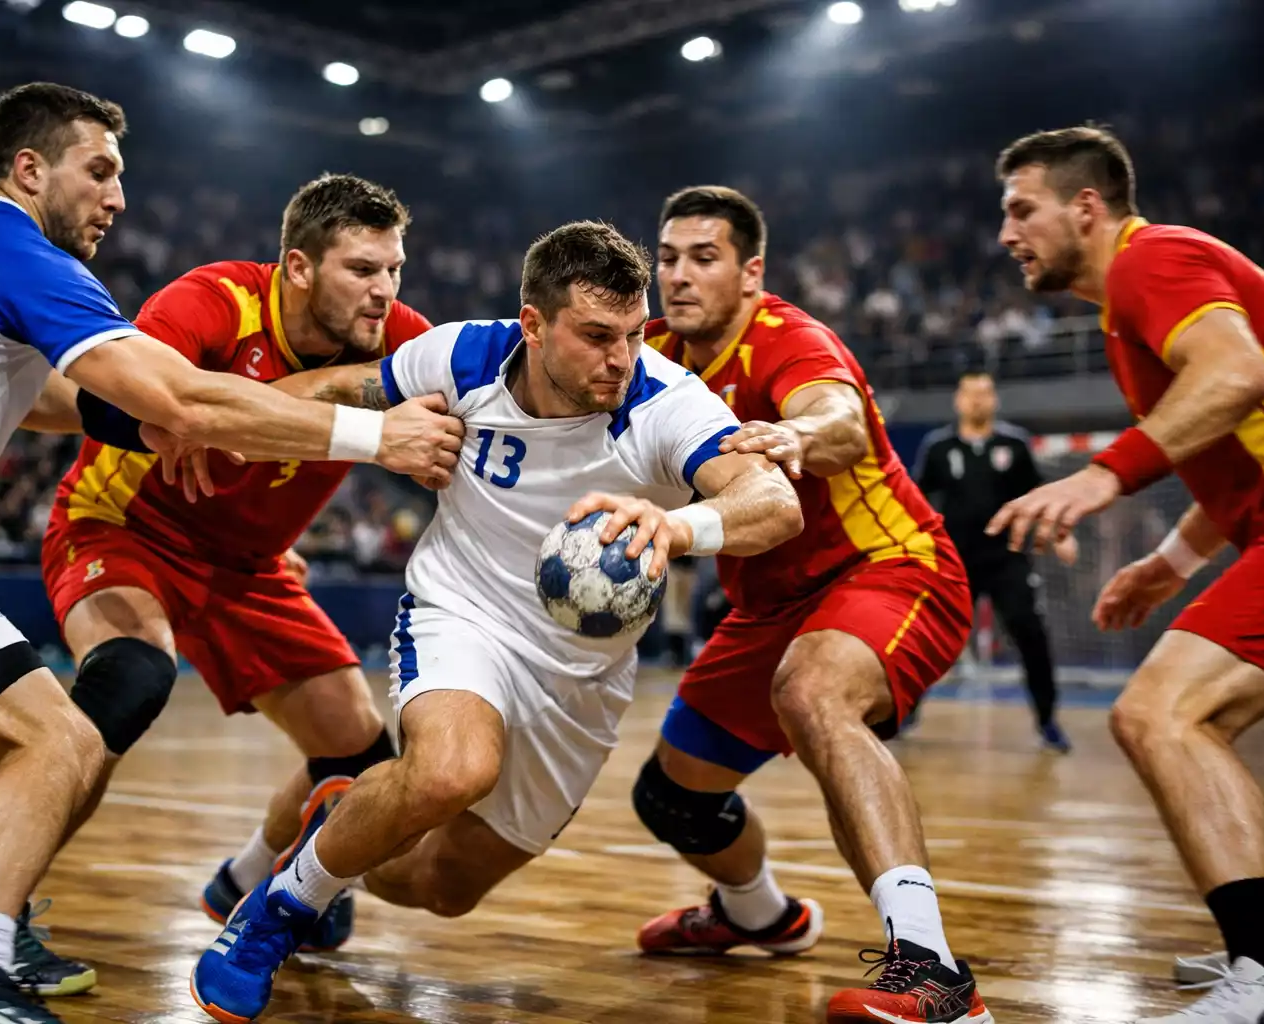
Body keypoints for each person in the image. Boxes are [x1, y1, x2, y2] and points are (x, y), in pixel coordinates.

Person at [0, 82, 461, 1024]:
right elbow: (176, 396)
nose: (118, 198)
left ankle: (245, 886)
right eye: (99, 172)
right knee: (59, 734)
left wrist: (149, 421)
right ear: (28, 170)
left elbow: (51, 399)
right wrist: (370, 434)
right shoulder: (32, 257)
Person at [186, 220, 805, 1024]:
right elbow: (339, 388)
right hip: (462, 610)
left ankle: (333, 831)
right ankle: (271, 915)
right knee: (452, 770)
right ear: (535, 324)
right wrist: (213, 421)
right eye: (595, 336)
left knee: (441, 890)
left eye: (632, 333)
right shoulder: (463, 357)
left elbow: (774, 502)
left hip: (580, 677)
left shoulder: (663, 400)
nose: (620, 358)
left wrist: (677, 527)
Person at [27, 174, 433, 989]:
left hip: (250, 568)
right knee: (127, 682)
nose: (383, 291)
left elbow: (217, 418)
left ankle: (247, 882)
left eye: (392, 270)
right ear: (298, 266)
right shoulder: (213, 299)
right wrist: (201, 413)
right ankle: (1, 916)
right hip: (124, 529)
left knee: (357, 756)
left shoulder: (404, 338)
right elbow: (152, 397)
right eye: (361, 270)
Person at [637, 187, 989, 1024]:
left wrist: (796, 435)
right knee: (672, 799)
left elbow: (839, 421)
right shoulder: (647, 349)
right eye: (669, 257)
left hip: (890, 568)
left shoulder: (790, 339)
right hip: (768, 608)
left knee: (813, 692)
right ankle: (759, 916)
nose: (679, 276)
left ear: (752, 272)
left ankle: (936, 973)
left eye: (705, 258)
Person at [993, 124, 1264, 1022]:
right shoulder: (1132, 299)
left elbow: (1235, 375)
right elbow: (1240, 450)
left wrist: (1106, 472)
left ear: (1086, 207)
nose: (1007, 234)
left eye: (1022, 209)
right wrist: (1170, 563)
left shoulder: (1149, 261)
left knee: (1162, 713)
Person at [913, 371, 1076, 751]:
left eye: (984, 393)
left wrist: (1056, 536)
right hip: (956, 563)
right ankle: (904, 713)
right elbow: (917, 502)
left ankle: (1047, 720)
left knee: (1031, 634)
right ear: (958, 400)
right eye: (970, 394)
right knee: (929, 638)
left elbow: (1038, 498)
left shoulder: (1014, 444)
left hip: (1008, 561)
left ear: (994, 400)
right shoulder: (938, 447)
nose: (977, 401)